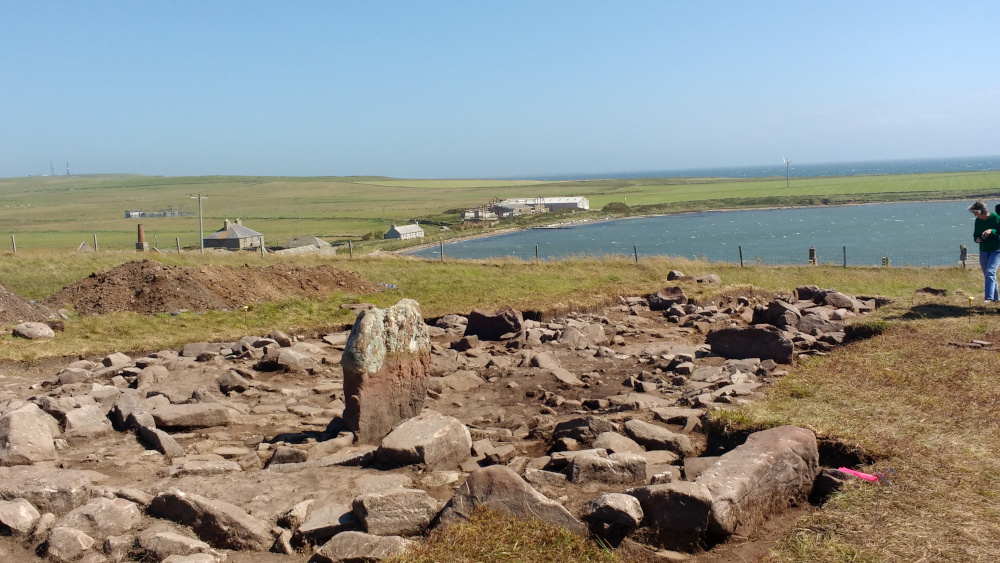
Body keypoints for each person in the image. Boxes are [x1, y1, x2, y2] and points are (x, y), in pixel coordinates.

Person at [969, 200, 1000, 301]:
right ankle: (996, 299)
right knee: (988, 274)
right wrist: (977, 239)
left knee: (990, 271)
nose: (975, 215)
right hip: (983, 250)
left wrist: (992, 231)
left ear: (982, 211)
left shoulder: (996, 217)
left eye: (976, 213)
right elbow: (975, 235)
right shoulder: (978, 221)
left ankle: (988, 298)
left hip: (996, 250)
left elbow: (999, 232)